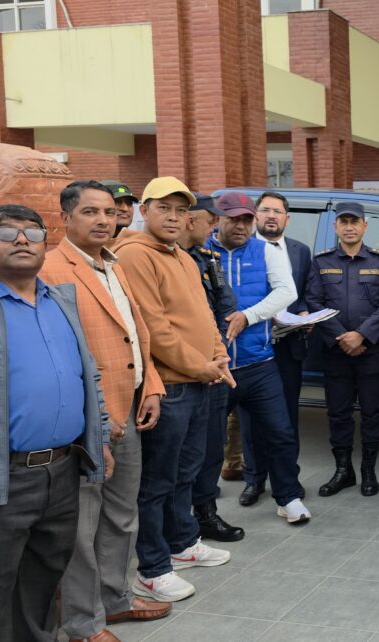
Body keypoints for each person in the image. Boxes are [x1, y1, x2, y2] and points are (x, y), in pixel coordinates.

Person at [42, 182, 171, 642]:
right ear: (65, 218)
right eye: (90, 212)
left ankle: (115, 599)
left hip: (130, 410)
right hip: (87, 422)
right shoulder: (51, 269)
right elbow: (57, 355)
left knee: (121, 514)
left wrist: (150, 387)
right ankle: (82, 622)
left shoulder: (113, 264)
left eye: (109, 212)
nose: (103, 220)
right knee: (83, 526)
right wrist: (95, 416)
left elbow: (135, 333)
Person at [0, 204, 111, 642]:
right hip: (2, 474)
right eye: (7, 232)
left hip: (62, 470)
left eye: (33, 233)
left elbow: (88, 375)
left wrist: (100, 437)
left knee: (43, 578)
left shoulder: (60, 301)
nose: (22, 240)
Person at [115, 177, 235, 603]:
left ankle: (182, 543)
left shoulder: (182, 256)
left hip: (200, 381)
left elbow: (204, 314)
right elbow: (154, 328)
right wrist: (202, 367)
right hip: (170, 387)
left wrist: (218, 354)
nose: (173, 217)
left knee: (187, 472)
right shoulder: (135, 254)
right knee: (157, 481)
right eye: (163, 208)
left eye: (181, 210)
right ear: (144, 210)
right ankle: (152, 568)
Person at [206, 192, 309, 523]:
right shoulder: (200, 252)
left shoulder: (265, 250)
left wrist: (248, 316)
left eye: (246, 219)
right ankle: (203, 511)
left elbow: (287, 292)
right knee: (208, 443)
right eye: (233, 219)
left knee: (280, 432)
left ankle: (288, 497)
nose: (241, 226)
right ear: (217, 219)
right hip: (213, 368)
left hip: (259, 363)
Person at [305, 201, 379, 497]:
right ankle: (343, 471)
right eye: (343, 222)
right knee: (338, 413)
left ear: (364, 226)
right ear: (335, 226)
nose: (349, 227)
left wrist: (362, 336)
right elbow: (314, 302)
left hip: (371, 351)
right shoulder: (321, 262)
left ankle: (369, 469)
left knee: (372, 412)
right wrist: (342, 337)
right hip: (335, 352)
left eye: (354, 221)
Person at [178, 194, 245, 543]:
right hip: (180, 371)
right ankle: (178, 527)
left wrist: (214, 349)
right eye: (211, 220)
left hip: (215, 366)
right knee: (181, 456)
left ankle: (205, 513)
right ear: (191, 220)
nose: (215, 227)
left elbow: (226, 305)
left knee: (211, 447)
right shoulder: (164, 259)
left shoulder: (207, 259)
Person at [246, 191, 312, 488]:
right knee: (251, 419)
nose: (271, 216)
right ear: (255, 215)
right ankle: (254, 479)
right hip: (252, 347)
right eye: (265, 210)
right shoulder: (244, 248)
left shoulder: (300, 251)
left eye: (277, 211)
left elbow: (305, 291)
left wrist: (305, 312)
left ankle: (288, 480)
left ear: (287, 218)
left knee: (287, 418)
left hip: (288, 347)